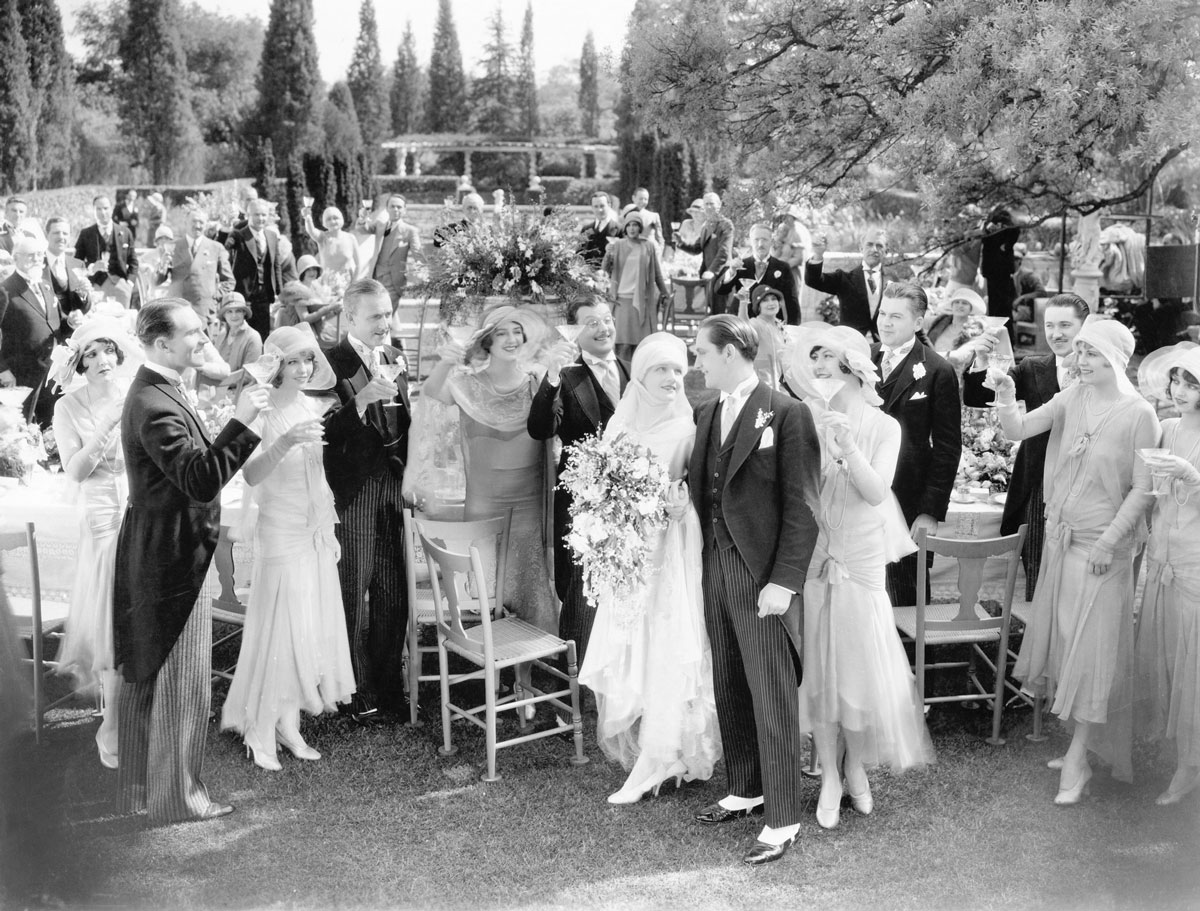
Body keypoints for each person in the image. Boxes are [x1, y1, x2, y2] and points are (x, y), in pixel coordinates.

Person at [113, 300, 266, 825]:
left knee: (146, 670)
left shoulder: (162, 388)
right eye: (194, 334)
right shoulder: (154, 402)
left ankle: (136, 791)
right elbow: (200, 479)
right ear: (160, 344)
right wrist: (243, 424)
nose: (205, 339)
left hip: (156, 547)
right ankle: (178, 798)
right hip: (173, 556)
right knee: (179, 680)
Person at [995, 316, 1159, 802]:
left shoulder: (1139, 414)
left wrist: (1109, 543)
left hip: (1102, 552)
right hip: (1063, 544)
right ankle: (1078, 748)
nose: (1078, 360)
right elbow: (1018, 430)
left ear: (1114, 358)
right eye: (1079, 352)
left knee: (1095, 652)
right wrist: (1006, 394)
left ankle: (1079, 759)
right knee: (1069, 645)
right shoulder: (1073, 397)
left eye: (1089, 353)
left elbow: (1145, 490)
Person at [788, 324, 934, 829]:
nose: (820, 365)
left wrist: (847, 448)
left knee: (856, 665)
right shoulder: (803, 418)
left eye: (829, 356)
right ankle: (828, 772)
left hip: (863, 555)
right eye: (815, 357)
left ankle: (855, 767)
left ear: (852, 364)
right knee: (820, 667)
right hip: (816, 551)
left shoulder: (882, 427)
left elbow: (876, 494)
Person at [688, 314, 821, 866]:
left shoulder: (787, 413)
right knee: (730, 681)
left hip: (762, 575)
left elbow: (803, 508)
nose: (697, 363)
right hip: (715, 565)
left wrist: (784, 583)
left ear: (731, 353)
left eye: (702, 353)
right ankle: (747, 787)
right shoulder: (707, 411)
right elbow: (705, 487)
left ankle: (784, 818)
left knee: (771, 692)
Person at [579, 333, 721, 803]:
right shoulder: (619, 423)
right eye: (661, 369)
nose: (672, 378)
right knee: (634, 650)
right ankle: (663, 751)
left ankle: (656, 759)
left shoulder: (688, 425)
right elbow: (598, 489)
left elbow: (699, 488)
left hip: (672, 550)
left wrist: (679, 509)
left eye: (678, 370)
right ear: (640, 374)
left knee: (668, 647)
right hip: (629, 553)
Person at [220, 327, 355, 769]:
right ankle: (260, 729)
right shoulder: (260, 407)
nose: (302, 369)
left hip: (312, 526)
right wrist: (285, 442)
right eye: (293, 361)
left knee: (306, 629)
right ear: (276, 363)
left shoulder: (307, 404)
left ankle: (288, 723)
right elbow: (253, 476)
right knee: (279, 628)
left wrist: (326, 523)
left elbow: (316, 472)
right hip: (279, 528)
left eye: (308, 361)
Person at [420, 305, 558, 635]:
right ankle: (492, 657)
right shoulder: (468, 384)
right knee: (487, 588)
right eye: (501, 333)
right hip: (483, 505)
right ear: (487, 342)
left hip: (528, 502)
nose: (511, 339)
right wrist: (447, 359)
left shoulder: (538, 382)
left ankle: (526, 666)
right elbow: (431, 392)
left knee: (527, 587)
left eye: (516, 332)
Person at [50, 317, 142, 770]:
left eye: (109, 351)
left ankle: (138, 716)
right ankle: (110, 722)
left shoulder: (134, 394)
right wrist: (107, 425)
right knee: (111, 623)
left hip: (139, 513)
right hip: (102, 519)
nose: (103, 360)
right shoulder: (68, 408)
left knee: (138, 616)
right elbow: (75, 471)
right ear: (79, 363)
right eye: (92, 354)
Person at [322, 278, 412, 723]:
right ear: (350, 316)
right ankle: (354, 693)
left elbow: (405, 425)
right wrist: (359, 400)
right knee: (353, 592)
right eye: (376, 315)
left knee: (395, 594)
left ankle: (390, 689)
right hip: (353, 491)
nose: (385, 323)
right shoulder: (329, 361)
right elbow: (324, 433)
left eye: (388, 313)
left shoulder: (397, 357)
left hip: (392, 489)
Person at [963, 293, 1089, 599]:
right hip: (1038, 485)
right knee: (1037, 570)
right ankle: (1036, 639)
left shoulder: (1099, 372)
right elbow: (981, 398)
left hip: (1086, 483)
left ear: (1085, 326)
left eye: (1065, 325)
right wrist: (980, 361)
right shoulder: (1033, 366)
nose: (1056, 333)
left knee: (1079, 574)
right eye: (1049, 325)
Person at [527, 298, 629, 668]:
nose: (603, 328)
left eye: (606, 319)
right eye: (591, 323)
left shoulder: (634, 372)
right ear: (574, 332)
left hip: (630, 502)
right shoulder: (567, 377)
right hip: (580, 501)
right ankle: (574, 674)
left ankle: (617, 665)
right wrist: (552, 375)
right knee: (580, 588)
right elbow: (540, 429)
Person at [1135, 346, 1200, 805]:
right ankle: (1173, 749)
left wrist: (1191, 476)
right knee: (1163, 656)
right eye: (1176, 382)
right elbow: (1153, 493)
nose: (1179, 392)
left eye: (1191, 385)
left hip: (1195, 563)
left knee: (1191, 665)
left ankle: (1188, 764)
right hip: (1162, 556)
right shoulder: (1170, 428)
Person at [871, 282, 961, 606]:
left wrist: (930, 511)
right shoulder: (863, 361)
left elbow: (949, 447)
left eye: (896, 316)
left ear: (918, 322)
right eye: (882, 313)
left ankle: (915, 658)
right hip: (866, 496)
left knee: (907, 597)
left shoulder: (938, 370)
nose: (885, 323)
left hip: (910, 500)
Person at [0, 234, 63, 425]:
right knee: (21, 427)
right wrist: (2, 369)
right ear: (15, 258)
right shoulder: (5, 289)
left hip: (51, 368)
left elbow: (54, 322)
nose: (36, 259)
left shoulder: (45, 284)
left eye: (39, 254)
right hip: (21, 372)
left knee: (49, 423)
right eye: (30, 255)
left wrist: (71, 323)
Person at [226, 199, 299, 340]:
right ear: (248, 215)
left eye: (264, 215)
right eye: (256, 215)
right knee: (243, 333)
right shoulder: (239, 235)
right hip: (245, 293)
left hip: (265, 294)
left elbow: (276, 265)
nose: (261, 218)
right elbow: (225, 251)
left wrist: (279, 291)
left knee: (263, 333)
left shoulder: (271, 236)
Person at [805, 226, 897, 339]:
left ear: (886, 252)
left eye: (879, 246)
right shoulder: (844, 278)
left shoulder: (893, 280)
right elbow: (814, 281)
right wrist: (818, 255)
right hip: (850, 344)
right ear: (861, 248)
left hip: (881, 347)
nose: (874, 249)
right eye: (869, 244)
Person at [601, 210, 670, 362]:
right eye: (629, 225)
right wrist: (607, 254)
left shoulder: (648, 246)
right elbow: (605, 270)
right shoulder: (617, 245)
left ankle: (640, 377)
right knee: (622, 345)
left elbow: (657, 274)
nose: (632, 228)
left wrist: (665, 293)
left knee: (642, 345)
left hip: (642, 303)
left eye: (635, 225)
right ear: (625, 228)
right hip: (621, 302)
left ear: (640, 228)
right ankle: (622, 378)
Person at [163, 208, 235, 327]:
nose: (197, 226)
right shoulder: (172, 247)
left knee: (205, 344)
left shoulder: (216, 247)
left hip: (204, 311)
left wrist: (214, 296)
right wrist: (162, 267)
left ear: (206, 224)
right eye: (194, 221)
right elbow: (158, 279)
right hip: (178, 310)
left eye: (201, 222)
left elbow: (229, 281)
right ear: (185, 223)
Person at [717, 224, 800, 325]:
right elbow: (720, 291)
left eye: (764, 239)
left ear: (771, 241)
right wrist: (731, 271)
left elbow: (792, 302)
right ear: (750, 241)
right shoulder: (740, 265)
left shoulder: (783, 268)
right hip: (741, 324)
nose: (760, 244)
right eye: (756, 240)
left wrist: (791, 330)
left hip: (771, 326)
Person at [675, 192, 734, 316]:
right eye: (706, 204)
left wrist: (712, 271)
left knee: (719, 311)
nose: (708, 207)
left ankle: (721, 334)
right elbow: (697, 248)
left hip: (721, 274)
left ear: (719, 205)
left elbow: (724, 252)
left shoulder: (726, 225)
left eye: (711, 204)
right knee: (711, 309)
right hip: (708, 275)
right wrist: (681, 243)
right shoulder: (706, 225)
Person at [74, 195, 138, 306]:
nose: (102, 212)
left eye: (106, 208)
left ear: (112, 208)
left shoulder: (125, 232)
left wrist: (129, 283)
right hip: (95, 287)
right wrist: (92, 267)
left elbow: (133, 261)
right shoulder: (86, 234)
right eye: (98, 209)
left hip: (121, 286)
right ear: (93, 210)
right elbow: (76, 262)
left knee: (122, 320)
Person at [200, 293, 262, 395]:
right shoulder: (221, 334)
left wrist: (217, 381)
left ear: (244, 313)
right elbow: (214, 364)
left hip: (242, 393)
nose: (234, 315)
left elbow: (249, 376)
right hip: (218, 390)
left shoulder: (253, 337)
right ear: (224, 315)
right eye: (229, 311)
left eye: (238, 311)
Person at [368, 194, 422, 306]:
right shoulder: (380, 225)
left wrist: (423, 272)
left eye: (399, 207)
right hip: (376, 278)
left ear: (405, 210)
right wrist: (362, 218)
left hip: (394, 282)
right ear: (387, 209)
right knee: (381, 315)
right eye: (392, 206)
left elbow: (418, 254)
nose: (395, 209)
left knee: (384, 312)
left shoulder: (410, 231)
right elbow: (364, 228)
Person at [43, 217, 91, 336]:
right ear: (46, 235)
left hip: (72, 334)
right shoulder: (37, 264)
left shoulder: (78, 264)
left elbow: (84, 306)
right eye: (56, 233)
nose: (61, 237)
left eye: (65, 233)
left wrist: (83, 294)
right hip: (46, 332)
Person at [980, 207, 1020, 343]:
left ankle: (1007, 341)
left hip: (1002, 271)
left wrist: (1006, 246)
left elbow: (1015, 230)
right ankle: (997, 339)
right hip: (993, 271)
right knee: (995, 308)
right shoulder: (988, 225)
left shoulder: (1006, 225)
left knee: (1003, 308)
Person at [302, 204, 361, 281]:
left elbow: (358, 265)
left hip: (347, 284)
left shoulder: (350, 238)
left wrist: (354, 283)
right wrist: (307, 218)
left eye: (335, 218)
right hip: (327, 286)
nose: (332, 221)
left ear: (341, 219)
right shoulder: (322, 237)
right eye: (328, 219)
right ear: (324, 222)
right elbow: (311, 231)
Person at [745, 285, 788, 390]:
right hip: (760, 386)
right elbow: (743, 326)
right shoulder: (756, 323)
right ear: (758, 306)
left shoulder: (780, 326)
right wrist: (743, 302)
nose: (771, 303)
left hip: (778, 384)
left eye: (774, 299)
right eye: (765, 300)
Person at [580, 193, 621, 268]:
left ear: (609, 205)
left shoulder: (619, 229)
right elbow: (579, 253)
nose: (599, 210)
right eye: (596, 206)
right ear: (592, 208)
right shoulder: (586, 229)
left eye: (602, 206)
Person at [630, 187, 664, 254]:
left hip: (651, 252)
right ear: (633, 198)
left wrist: (660, 249)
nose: (643, 201)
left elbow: (660, 237)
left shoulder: (653, 216)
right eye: (640, 199)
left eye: (645, 199)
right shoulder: (627, 215)